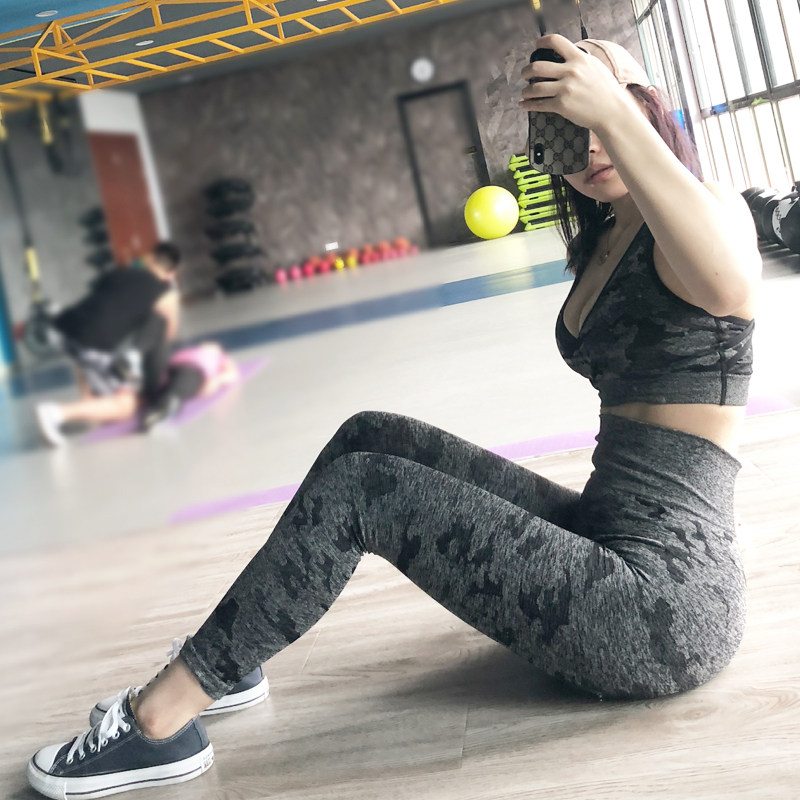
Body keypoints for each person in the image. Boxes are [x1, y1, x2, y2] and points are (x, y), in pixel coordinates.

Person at [27, 36, 761, 799]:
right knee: (369, 434)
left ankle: (159, 723)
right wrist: (597, 109)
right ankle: (234, 653)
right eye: (572, 130)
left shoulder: (711, 215)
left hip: (663, 607)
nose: (595, 145)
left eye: (615, 111)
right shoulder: (611, 232)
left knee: (367, 491)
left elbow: (729, 281)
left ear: (649, 106)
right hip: (607, 535)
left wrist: (610, 102)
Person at [35, 242, 182, 446]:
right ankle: (55, 413)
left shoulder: (118, 272)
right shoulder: (165, 291)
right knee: (126, 404)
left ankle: (88, 403)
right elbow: (169, 332)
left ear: (149, 259)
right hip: (92, 345)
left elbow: (101, 303)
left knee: (83, 353)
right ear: (172, 273)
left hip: (62, 329)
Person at [33, 342, 240, 443]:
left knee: (134, 402)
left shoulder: (209, 357)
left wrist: (216, 380)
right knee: (164, 392)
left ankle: (61, 412)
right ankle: (164, 407)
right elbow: (223, 378)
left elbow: (226, 376)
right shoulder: (207, 358)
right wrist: (216, 380)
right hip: (169, 370)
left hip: (163, 372)